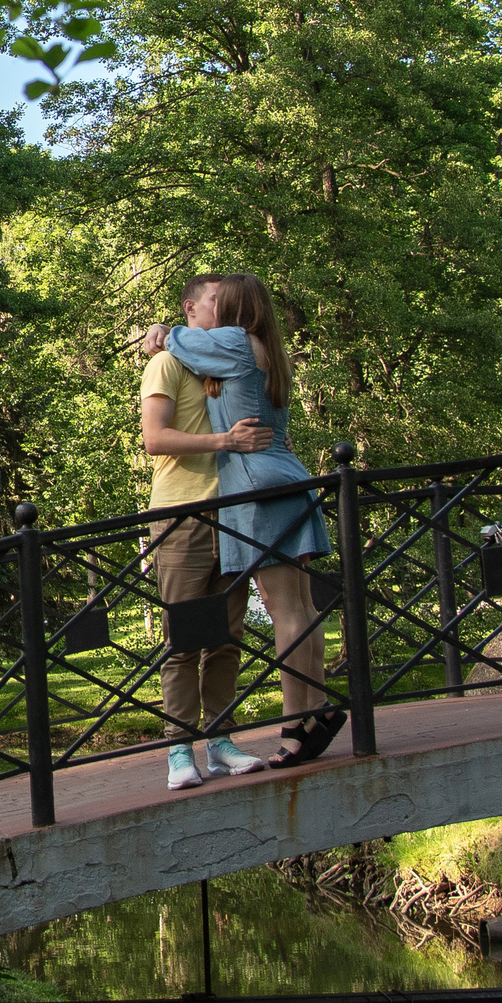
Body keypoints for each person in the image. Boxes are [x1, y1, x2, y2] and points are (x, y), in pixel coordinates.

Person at [147, 273, 348, 769]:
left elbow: (171, 337)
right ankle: (316, 707)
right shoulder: (270, 350)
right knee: (300, 606)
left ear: (236, 308)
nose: (216, 309)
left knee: (286, 612)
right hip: (285, 475)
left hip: (257, 487)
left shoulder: (235, 343)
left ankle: (293, 725)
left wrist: (159, 328)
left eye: (223, 300)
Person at [140, 274, 273, 791]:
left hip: (235, 515)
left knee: (227, 636)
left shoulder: (220, 360)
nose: (230, 309)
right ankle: (178, 750)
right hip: (181, 515)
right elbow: (155, 438)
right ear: (192, 308)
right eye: (220, 301)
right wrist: (225, 441)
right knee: (183, 640)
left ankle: (220, 741)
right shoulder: (167, 362)